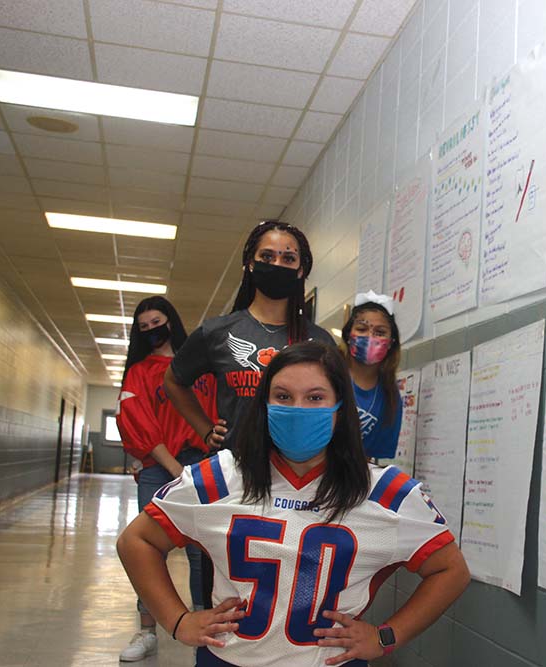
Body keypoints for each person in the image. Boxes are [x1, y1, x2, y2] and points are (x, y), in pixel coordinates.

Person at [117, 342, 470, 667]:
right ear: (265, 405)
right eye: (283, 397)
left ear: (339, 407)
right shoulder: (219, 478)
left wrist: (385, 636)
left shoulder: (386, 492)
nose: (297, 409)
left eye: (315, 398)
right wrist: (177, 621)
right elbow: (137, 541)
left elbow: (450, 571)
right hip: (229, 660)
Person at [164, 220, 335, 454]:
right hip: (235, 470)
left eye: (288, 259)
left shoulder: (319, 341)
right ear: (251, 264)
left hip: (298, 471)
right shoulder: (218, 332)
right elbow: (173, 380)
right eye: (267, 256)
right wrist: (205, 430)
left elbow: (335, 406)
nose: (277, 264)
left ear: (300, 270)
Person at [115, 296, 218, 662]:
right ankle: (147, 630)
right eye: (143, 327)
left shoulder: (200, 369)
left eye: (156, 322)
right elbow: (137, 422)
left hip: (203, 463)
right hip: (161, 466)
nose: (151, 331)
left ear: (171, 321)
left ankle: (206, 629)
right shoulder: (139, 372)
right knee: (150, 549)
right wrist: (175, 469)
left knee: (200, 551)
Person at [341, 291, 403, 459]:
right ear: (348, 335)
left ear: (391, 343)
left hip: (351, 480)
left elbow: (371, 459)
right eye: (361, 329)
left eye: (380, 332)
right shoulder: (328, 375)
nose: (370, 337)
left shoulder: (391, 397)